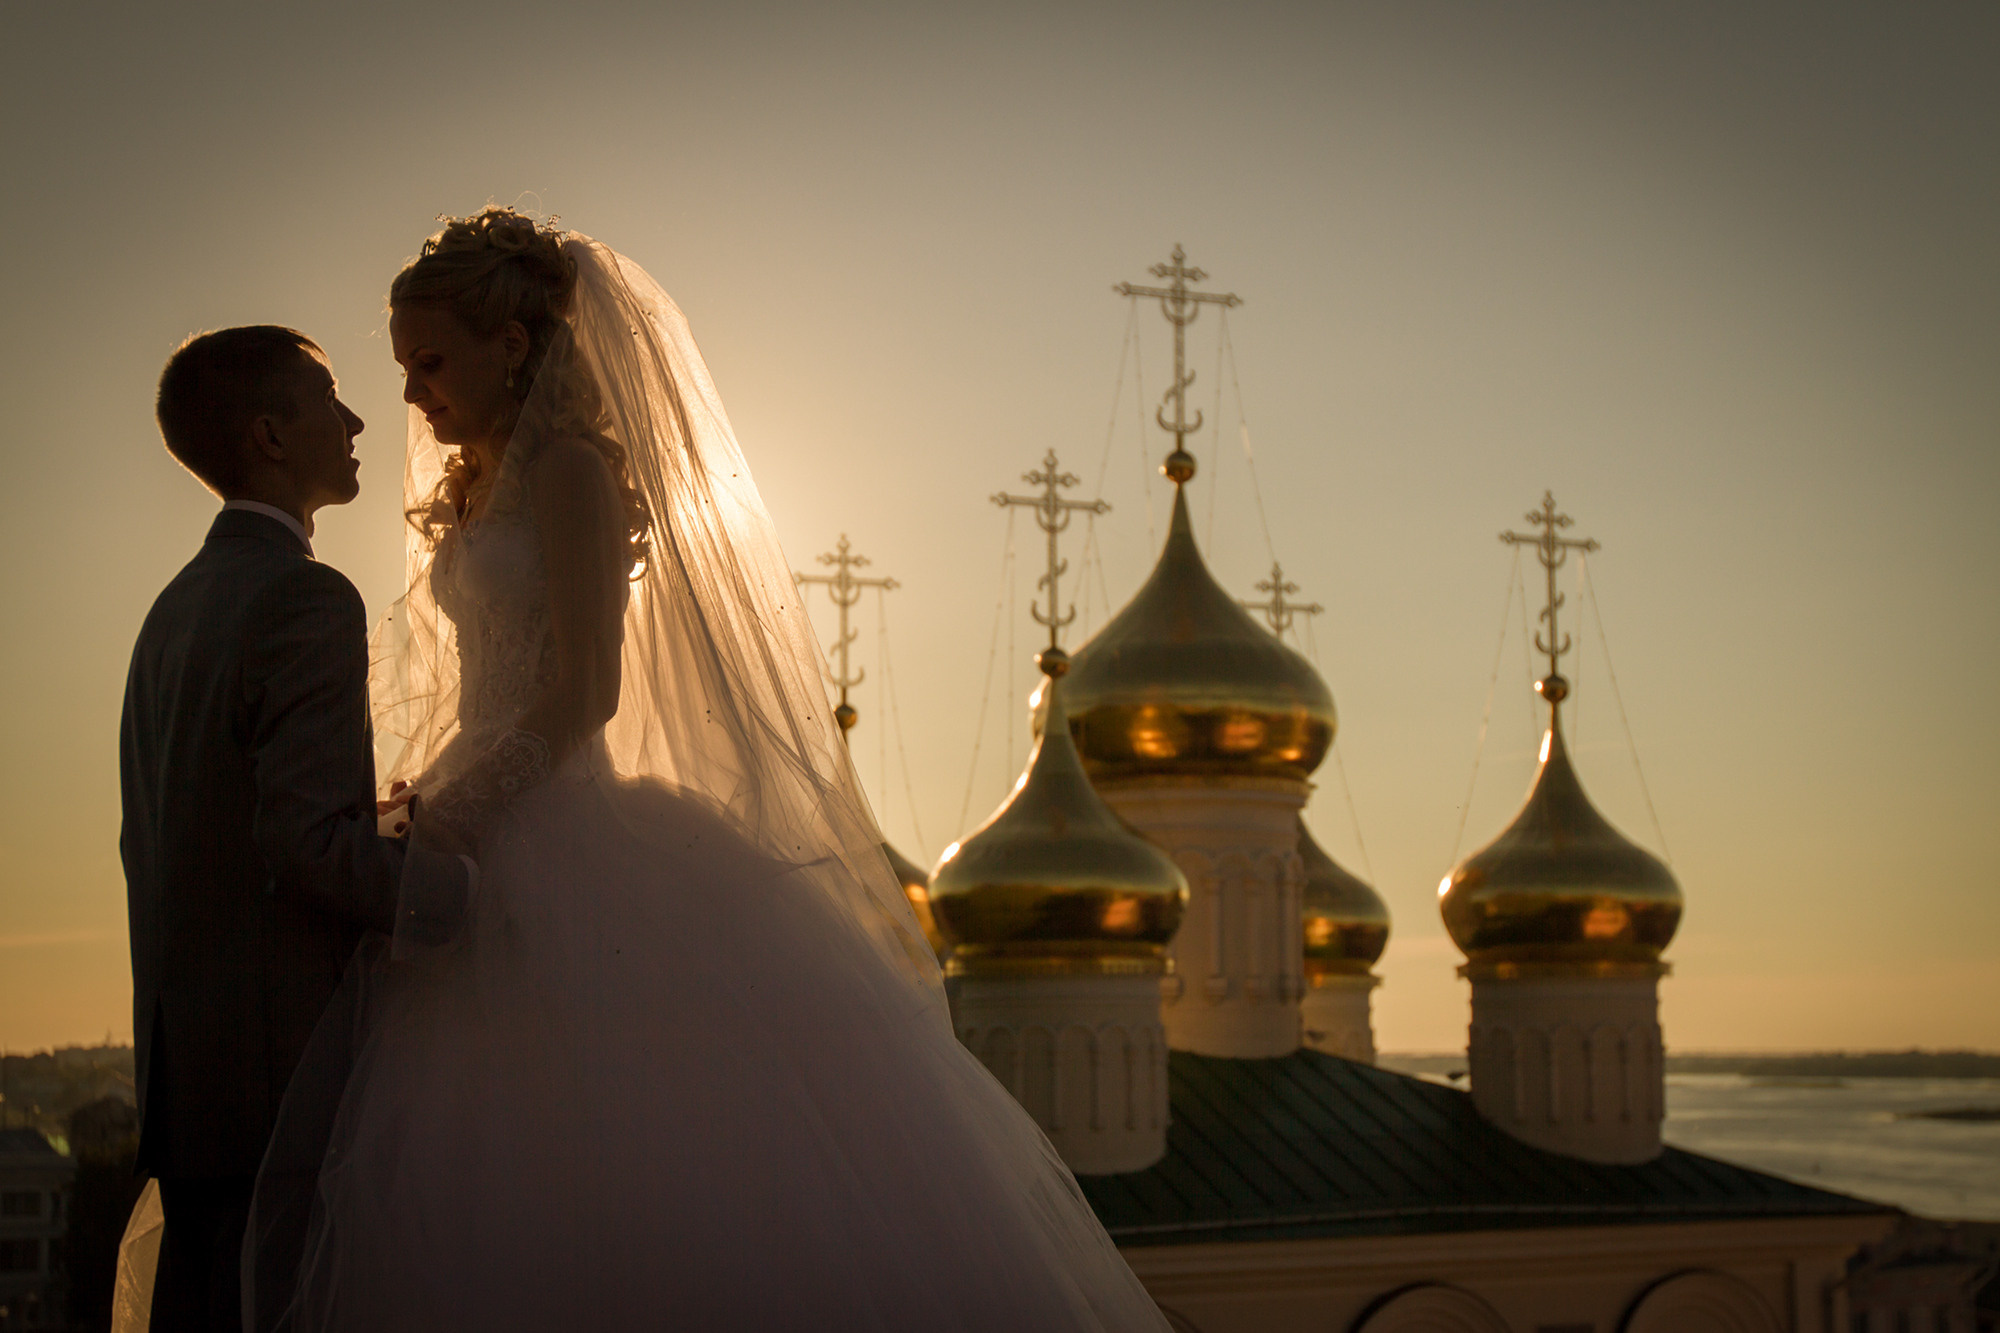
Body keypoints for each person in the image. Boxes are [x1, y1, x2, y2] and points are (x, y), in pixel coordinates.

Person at [245, 210, 1170, 1331]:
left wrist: (464, 809)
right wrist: (430, 796)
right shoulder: (472, 488)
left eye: (429, 362)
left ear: (515, 344)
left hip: (556, 838)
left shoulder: (575, 475)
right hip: (475, 825)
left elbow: (587, 689)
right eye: (403, 366)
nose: (410, 396)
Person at [120, 328, 475, 1331]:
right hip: (287, 1087)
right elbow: (307, 850)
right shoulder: (304, 596)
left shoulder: (173, 610)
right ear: (272, 434)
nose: (360, 420)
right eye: (330, 398)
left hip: (190, 1088)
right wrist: (474, 899)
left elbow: (210, 830)